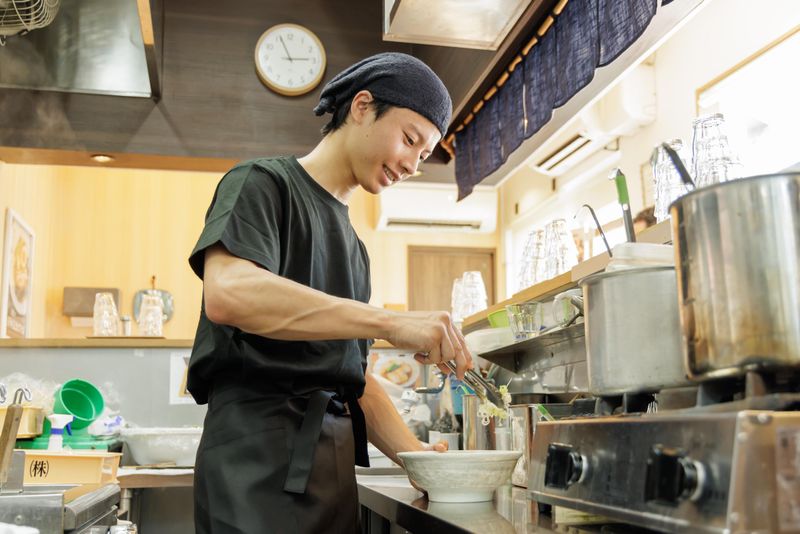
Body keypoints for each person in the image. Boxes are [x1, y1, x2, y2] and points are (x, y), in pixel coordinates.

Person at [187, 52, 472, 534]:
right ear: (362, 106)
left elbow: (351, 378)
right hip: (254, 466)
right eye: (409, 140)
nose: (411, 164)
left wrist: (417, 456)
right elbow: (229, 293)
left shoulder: (356, 251)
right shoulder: (262, 184)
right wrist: (391, 322)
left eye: (424, 156)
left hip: (332, 473)